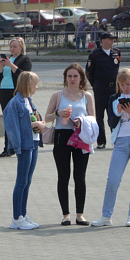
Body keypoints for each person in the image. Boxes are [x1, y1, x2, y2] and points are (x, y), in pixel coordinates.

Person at [92, 68, 130, 228]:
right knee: (112, 180)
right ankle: (106, 216)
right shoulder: (114, 99)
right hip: (120, 142)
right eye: (123, 84)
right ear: (118, 85)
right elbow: (111, 123)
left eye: (129, 83)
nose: (126, 87)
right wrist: (119, 113)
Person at [45, 63, 96, 225]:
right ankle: (65, 214)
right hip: (62, 136)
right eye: (69, 76)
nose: (72, 79)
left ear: (81, 78)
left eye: (75, 76)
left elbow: (93, 119)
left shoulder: (87, 96)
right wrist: (58, 114)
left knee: (80, 177)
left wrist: (81, 122)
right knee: (63, 176)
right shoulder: (58, 95)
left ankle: (80, 214)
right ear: (65, 78)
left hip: (80, 136)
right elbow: (46, 118)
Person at [3, 72, 46, 229]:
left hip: (33, 142)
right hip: (25, 146)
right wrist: (34, 126)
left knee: (27, 181)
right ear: (28, 84)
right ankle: (16, 218)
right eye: (35, 84)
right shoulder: (15, 103)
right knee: (21, 181)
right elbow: (13, 127)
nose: (36, 87)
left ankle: (23, 214)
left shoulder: (28, 101)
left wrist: (38, 124)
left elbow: (31, 119)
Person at [0, 37, 32, 157]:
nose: (12, 49)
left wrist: (11, 65)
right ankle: (7, 148)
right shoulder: (8, 60)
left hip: (16, 92)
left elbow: (24, 75)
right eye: (11, 47)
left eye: (15, 46)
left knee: (16, 120)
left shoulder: (25, 59)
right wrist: (1, 67)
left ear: (21, 47)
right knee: (7, 120)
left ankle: (18, 146)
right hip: (4, 92)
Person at [85, 32, 121, 148]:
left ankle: (116, 139)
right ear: (103, 41)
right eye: (110, 39)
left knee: (114, 114)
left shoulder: (116, 52)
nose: (112, 41)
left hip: (113, 89)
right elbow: (89, 72)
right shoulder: (95, 54)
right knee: (99, 115)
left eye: (113, 39)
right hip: (100, 88)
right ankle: (101, 141)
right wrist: (95, 85)